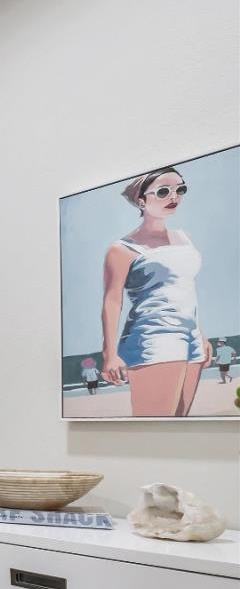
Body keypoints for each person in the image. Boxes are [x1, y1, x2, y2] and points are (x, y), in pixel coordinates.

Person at [100, 167, 212, 416]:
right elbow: (112, 301)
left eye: (180, 189)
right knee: (154, 426)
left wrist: (201, 335)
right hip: (153, 338)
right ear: (141, 201)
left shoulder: (185, 238)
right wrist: (110, 355)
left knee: (179, 425)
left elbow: (184, 291)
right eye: (163, 192)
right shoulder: (122, 249)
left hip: (190, 338)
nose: (174, 197)